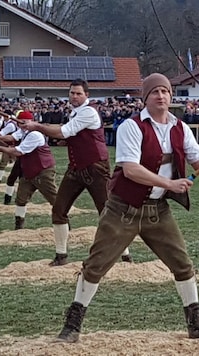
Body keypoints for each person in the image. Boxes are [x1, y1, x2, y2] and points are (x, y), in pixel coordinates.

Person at [55, 73, 199, 343]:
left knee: (183, 265)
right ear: (146, 97)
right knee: (95, 266)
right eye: (155, 92)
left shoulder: (180, 128)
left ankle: (196, 322)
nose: (161, 96)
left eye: (165, 91)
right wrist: (170, 183)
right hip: (123, 209)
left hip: (157, 210)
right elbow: (130, 170)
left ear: (171, 96)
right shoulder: (132, 126)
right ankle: (73, 324)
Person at [19, 78, 132, 266]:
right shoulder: (76, 113)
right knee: (59, 209)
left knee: (107, 211)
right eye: (72, 93)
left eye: (78, 93)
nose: (74, 96)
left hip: (95, 168)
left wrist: (37, 126)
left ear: (86, 95)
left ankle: (125, 255)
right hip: (76, 168)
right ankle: (61, 255)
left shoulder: (88, 112)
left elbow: (64, 131)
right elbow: (66, 132)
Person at [0, 111, 58, 230]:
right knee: (20, 200)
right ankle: (19, 227)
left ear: (31, 122)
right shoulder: (23, 132)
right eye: (20, 122)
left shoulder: (35, 134)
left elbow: (19, 151)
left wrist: (0, 148)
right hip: (28, 171)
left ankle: (64, 223)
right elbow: (11, 137)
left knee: (54, 199)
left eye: (25, 122)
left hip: (42, 171)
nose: (22, 124)